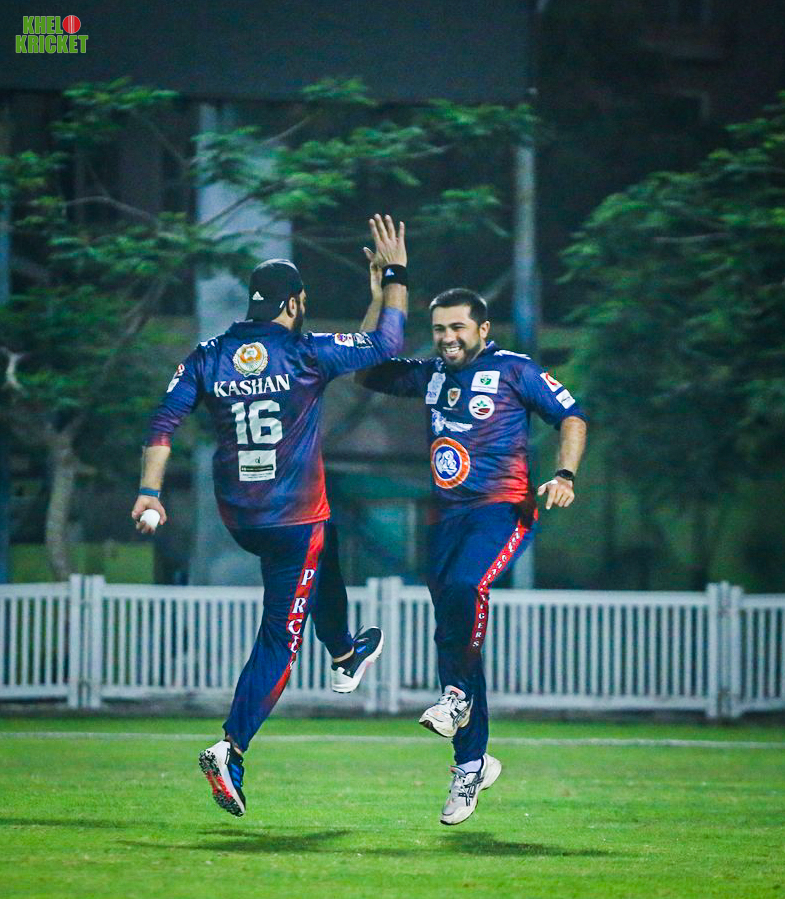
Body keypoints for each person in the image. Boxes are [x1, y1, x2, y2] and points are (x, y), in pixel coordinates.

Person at [131, 214, 408, 818]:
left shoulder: (209, 355)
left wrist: (150, 491)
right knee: (282, 635)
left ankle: (344, 653)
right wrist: (394, 279)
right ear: (295, 303)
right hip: (292, 520)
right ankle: (231, 747)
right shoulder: (305, 352)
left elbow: (162, 422)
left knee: (325, 540)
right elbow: (383, 347)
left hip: (242, 517)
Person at [357, 284, 586, 825]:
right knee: (453, 632)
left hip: (502, 510)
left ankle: (455, 695)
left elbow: (572, 417)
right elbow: (366, 369)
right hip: (446, 518)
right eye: (439, 328)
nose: (447, 337)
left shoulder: (515, 370)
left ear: (483, 329)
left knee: (466, 588)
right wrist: (382, 297)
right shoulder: (431, 373)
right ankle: (471, 764)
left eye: (457, 327)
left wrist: (564, 475)